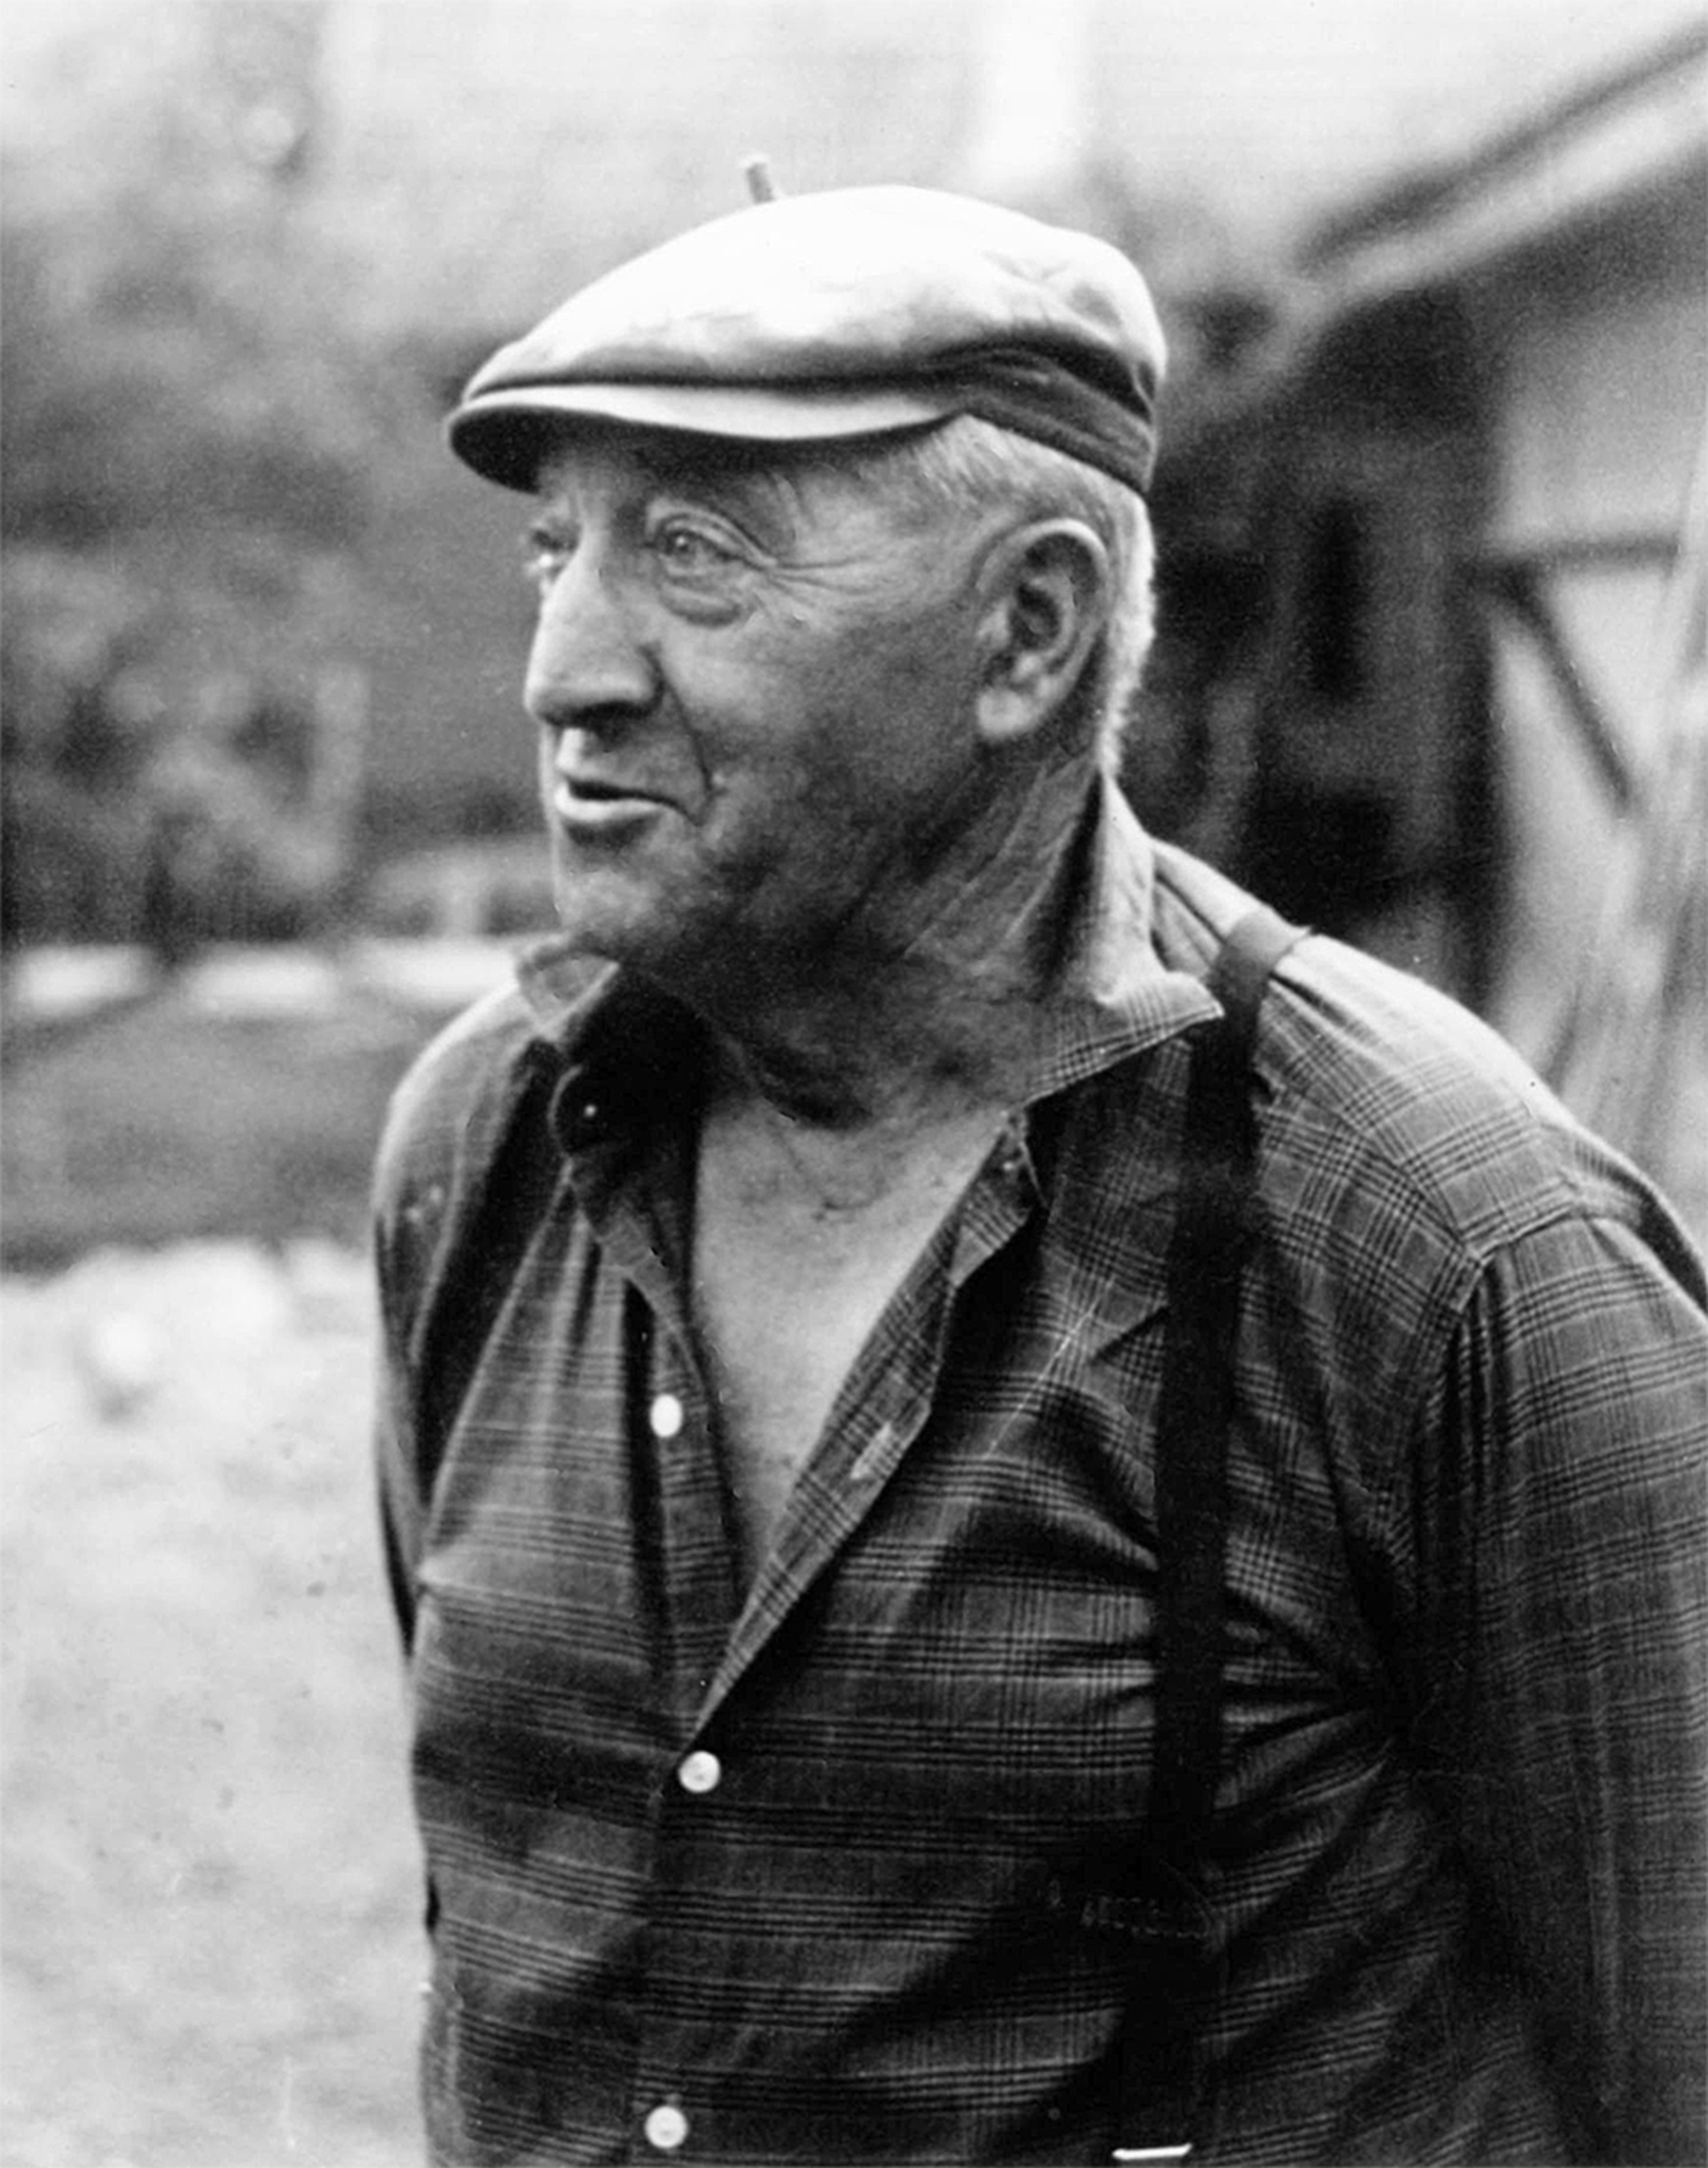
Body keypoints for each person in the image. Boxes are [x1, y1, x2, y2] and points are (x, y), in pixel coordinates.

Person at [370, 182, 1706, 2167]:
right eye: (556, 551)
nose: (565, 673)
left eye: (696, 556)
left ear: (1029, 629)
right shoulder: (490, 1141)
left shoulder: (1443, 1243)